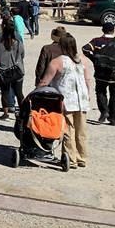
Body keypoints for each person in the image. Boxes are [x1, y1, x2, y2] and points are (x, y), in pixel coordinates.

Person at [39, 33, 93, 168]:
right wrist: (88, 93)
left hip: (67, 99)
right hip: (82, 99)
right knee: (81, 130)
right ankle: (82, 157)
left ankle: (71, 158)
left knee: (68, 130)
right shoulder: (82, 59)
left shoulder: (58, 61)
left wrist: (38, 89)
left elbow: (46, 81)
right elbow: (87, 79)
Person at [81, 23, 115, 126]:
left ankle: (104, 111)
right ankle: (113, 119)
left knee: (100, 93)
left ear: (102, 30)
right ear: (113, 30)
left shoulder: (96, 41)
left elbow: (85, 49)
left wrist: (94, 59)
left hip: (101, 74)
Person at [0, 23, 25, 120]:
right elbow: (22, 55)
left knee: (5, 93)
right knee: (19, 93)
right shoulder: (18, 43)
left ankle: (5, 113)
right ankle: (23, 111)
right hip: (17, 71)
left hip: (3, 72)